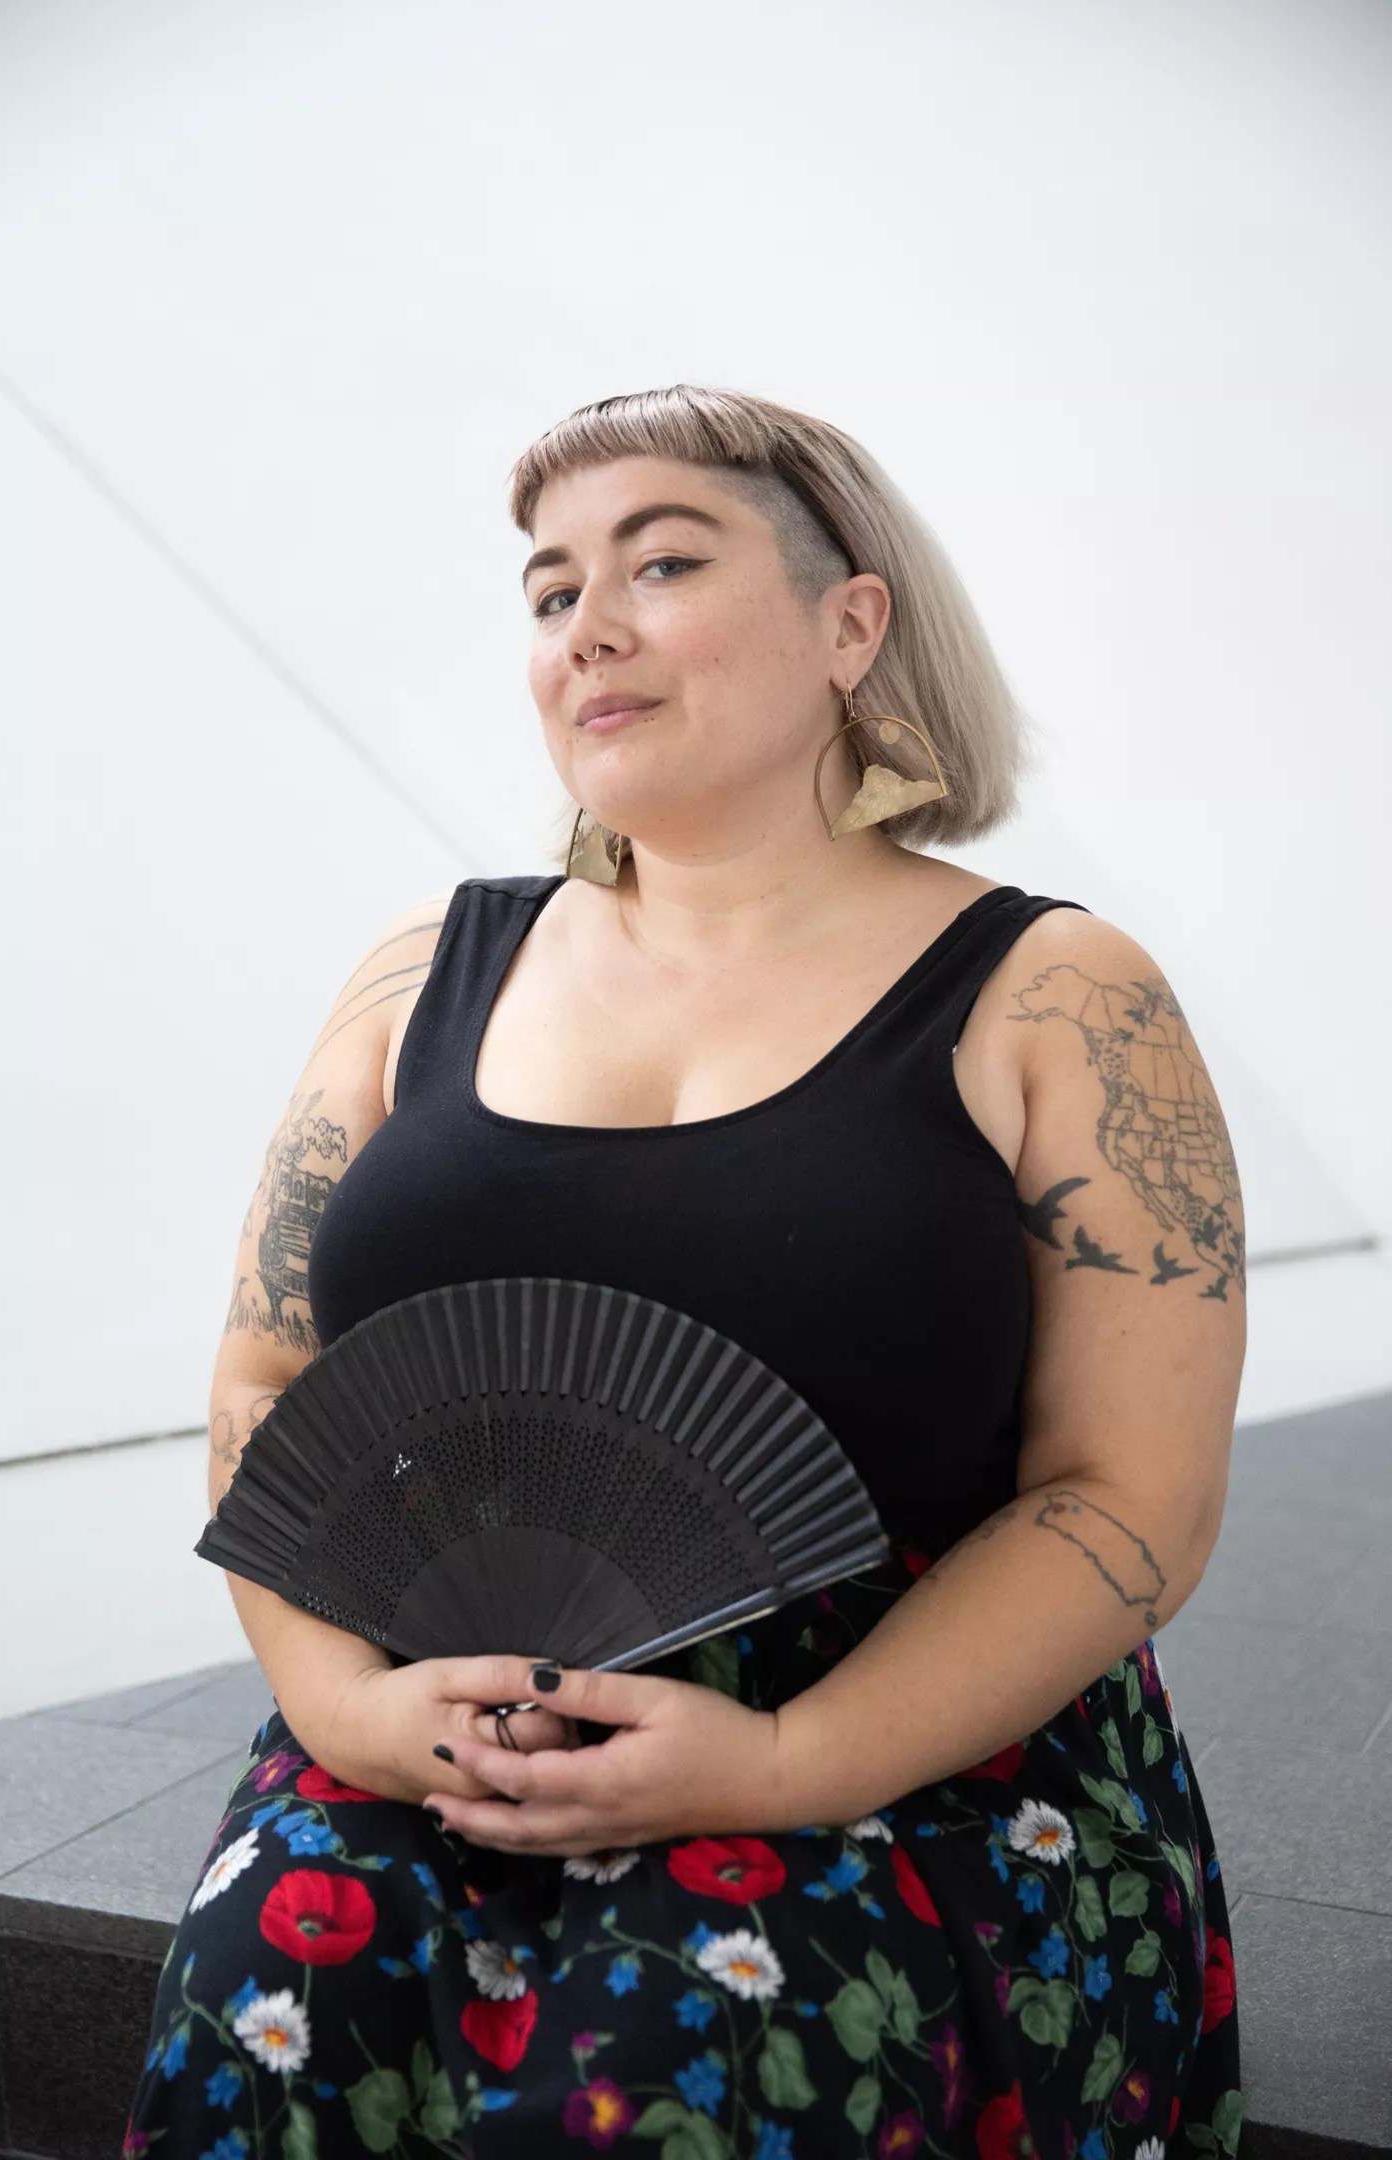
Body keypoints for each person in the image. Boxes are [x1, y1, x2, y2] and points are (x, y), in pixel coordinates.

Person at [123, 383, 1245, 2159]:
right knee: (284, 1987)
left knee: (693, 2053)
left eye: (660, 563)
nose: (589, 626)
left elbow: (1134, 1498)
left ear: (848, 625)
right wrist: (349, 1711)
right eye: (550, 590)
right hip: (435, 1729)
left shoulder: (1058, 994)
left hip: (912, 1751)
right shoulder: (421, 970)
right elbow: (269, 1384)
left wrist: (790, 1763)